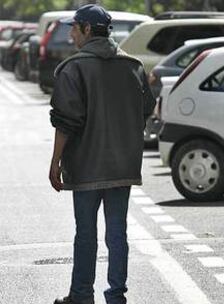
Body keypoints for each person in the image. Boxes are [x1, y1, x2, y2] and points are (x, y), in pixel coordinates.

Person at [48, 4, 155, 304]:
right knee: (117, 233)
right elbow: (146, 109)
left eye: (74, 27)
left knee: (86, 234)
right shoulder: (132, 66)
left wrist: (55, 162)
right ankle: (116, 296)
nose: (70, 34)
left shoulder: (74, 68)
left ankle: (82, 295)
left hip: (85, 167)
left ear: (85, 30)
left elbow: (66, 121)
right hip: (123, 165)